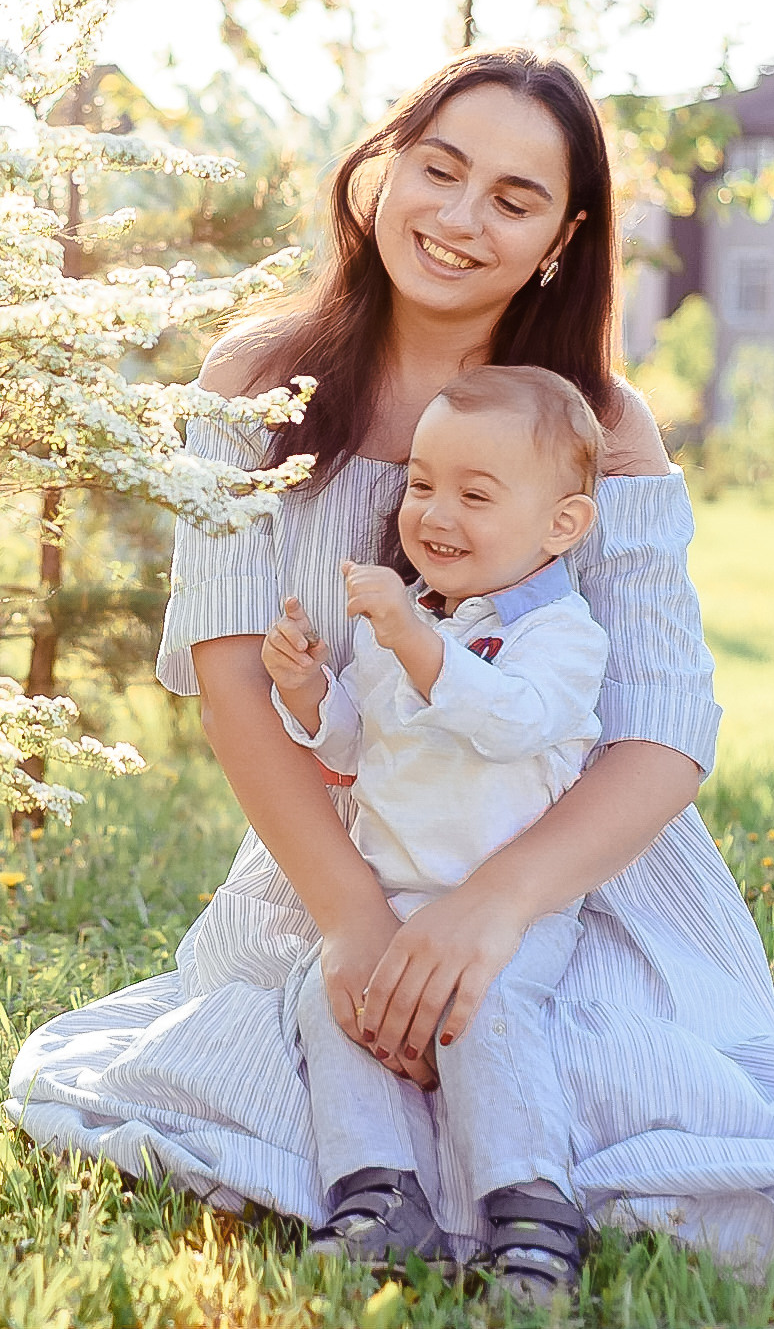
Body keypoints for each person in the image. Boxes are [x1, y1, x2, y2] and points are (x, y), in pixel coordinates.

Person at [7, 47, 774, 1291]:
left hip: (566, 869)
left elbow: (661, 731)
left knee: (566, 1067)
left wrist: (493, 911)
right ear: (381, 169)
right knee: (317, 1046)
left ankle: (524, 1196)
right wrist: (358, 924)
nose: (459, 215)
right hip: (349, 852)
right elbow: (233, 689)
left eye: (514, 197)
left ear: (561, 236)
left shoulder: (602, 424)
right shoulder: (255, 383)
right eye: (439, 168)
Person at [262, 364, 612, 1294]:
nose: (435, 513)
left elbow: (511, 722)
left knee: (479, 1012)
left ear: (560, 526)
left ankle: (529, 1205)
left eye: (475, 494)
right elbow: (361, 748)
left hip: (507, 909)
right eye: (422, 485)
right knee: (330, 1008)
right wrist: (310, 694)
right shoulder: (404, 622)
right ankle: (380, 1192)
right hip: (396, 894)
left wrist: (414, 643)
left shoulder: (560, 635)